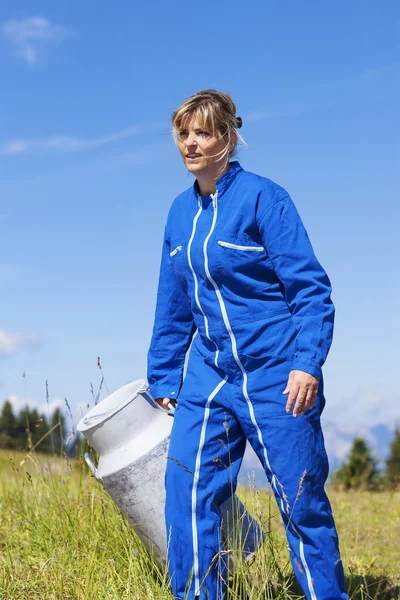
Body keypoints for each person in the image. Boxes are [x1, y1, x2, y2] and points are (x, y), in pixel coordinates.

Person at [147, 89, 348, 600]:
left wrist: (308, 363)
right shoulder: (177, 213)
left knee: (299, 500)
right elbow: (173, 302)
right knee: (187, 491)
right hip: (208, 375)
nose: (191, 144)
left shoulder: (264, 197)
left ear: (228, 138)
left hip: (276, 373)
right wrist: (165, 377)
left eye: (204, 133)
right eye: (183, 134)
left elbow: (310, 289)